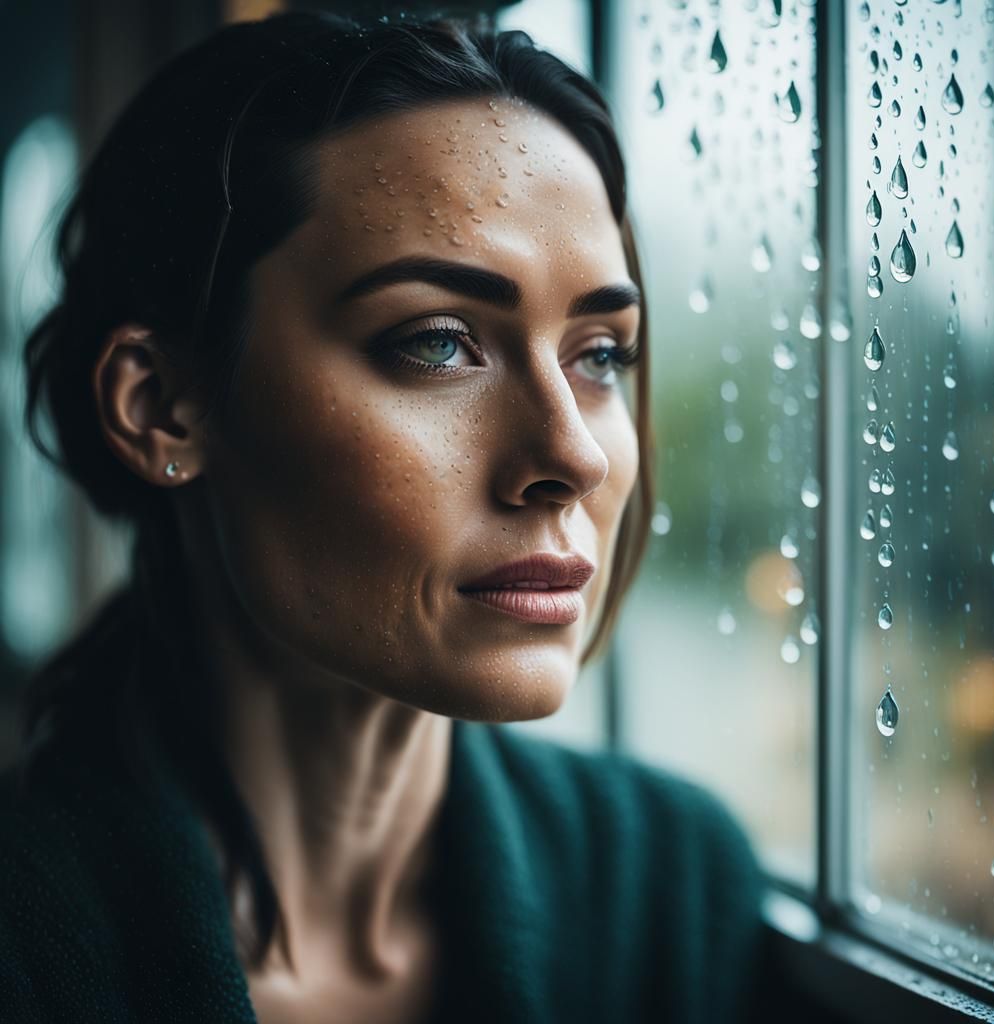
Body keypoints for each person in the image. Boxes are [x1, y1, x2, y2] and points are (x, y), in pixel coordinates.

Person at [0, 10, 819, 1023]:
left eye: (600, 353)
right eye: (436, 343)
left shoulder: (669, 889)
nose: (572, 454)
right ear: (161, 404)